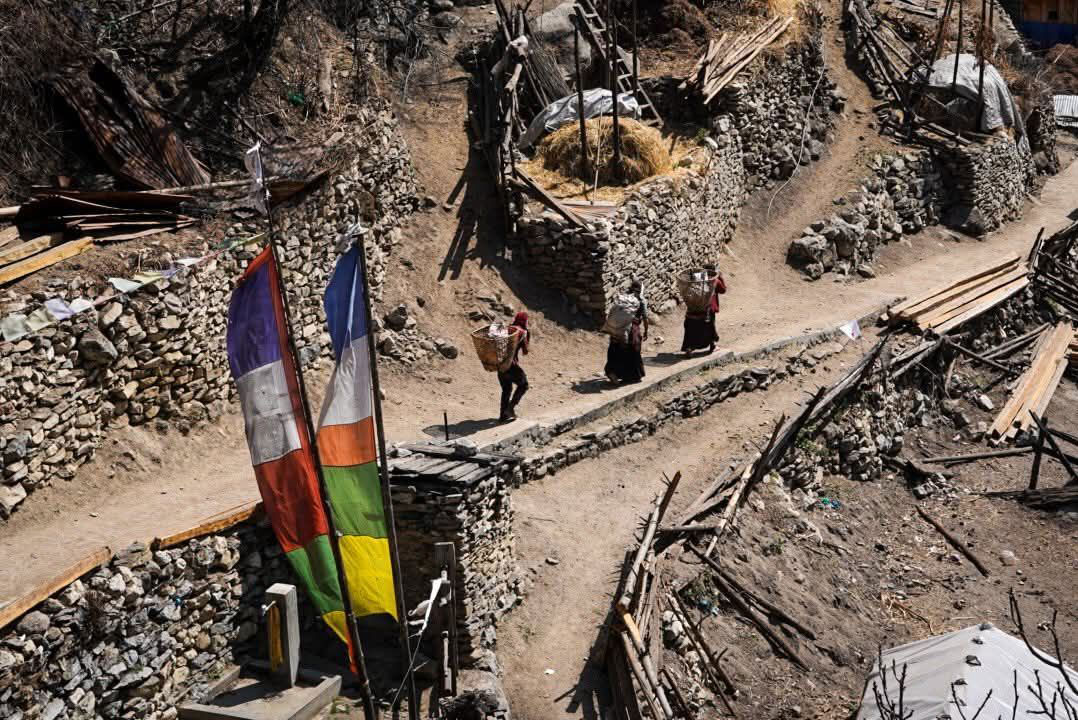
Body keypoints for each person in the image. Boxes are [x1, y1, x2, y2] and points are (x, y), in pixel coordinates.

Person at [605, 279, 647, 384]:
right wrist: (646, 331)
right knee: (633, 351)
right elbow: (645, 318)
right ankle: (631, 375)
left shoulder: (623, 298)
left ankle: (612, 372)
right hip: (632, 330)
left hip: (618, 328)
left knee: (614, 349)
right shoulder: (641, 301)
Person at [681, 265, 726, 355]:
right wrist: (721, 277)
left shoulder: (696, 281)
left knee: (692, 329)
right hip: (709, 309)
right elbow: (723, 290)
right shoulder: (714, 281)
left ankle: (689, 348)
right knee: (710, 328)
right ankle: (712, 346)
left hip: (693, 308)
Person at [498, 312, 530, 421]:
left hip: (500, 365)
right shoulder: (522, 332)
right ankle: (510, 408)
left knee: (506, 389)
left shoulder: (506, 329)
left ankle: (503, 415)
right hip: (512, 366)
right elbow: (525, 351)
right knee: (524, 385)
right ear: (524, 321)